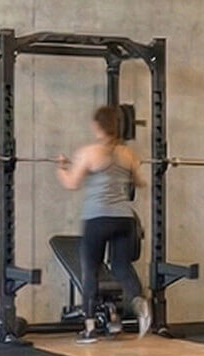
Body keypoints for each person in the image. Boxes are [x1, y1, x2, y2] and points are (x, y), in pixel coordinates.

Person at [56, 105, 152, 343]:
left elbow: (71, 183)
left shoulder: (89, 152)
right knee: (121, 266)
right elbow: (140, 182)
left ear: (97, 126)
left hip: (97, 218)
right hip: (124, 219)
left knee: (90, 270)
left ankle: (89, 329)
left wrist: (61, 167)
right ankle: (139, 300)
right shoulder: (128, 154)